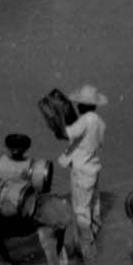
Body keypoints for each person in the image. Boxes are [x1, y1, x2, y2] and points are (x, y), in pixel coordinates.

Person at [57, 84, 107, 249]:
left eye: (79, 103)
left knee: (81, 210)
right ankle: (94, 234)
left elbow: (66, 134)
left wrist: (56, 121)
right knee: (94, 204)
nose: (77, 106)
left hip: (82, 170)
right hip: (93, 167)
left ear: (84, 105)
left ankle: (86, 247)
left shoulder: (85, 120)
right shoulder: (100, 122)